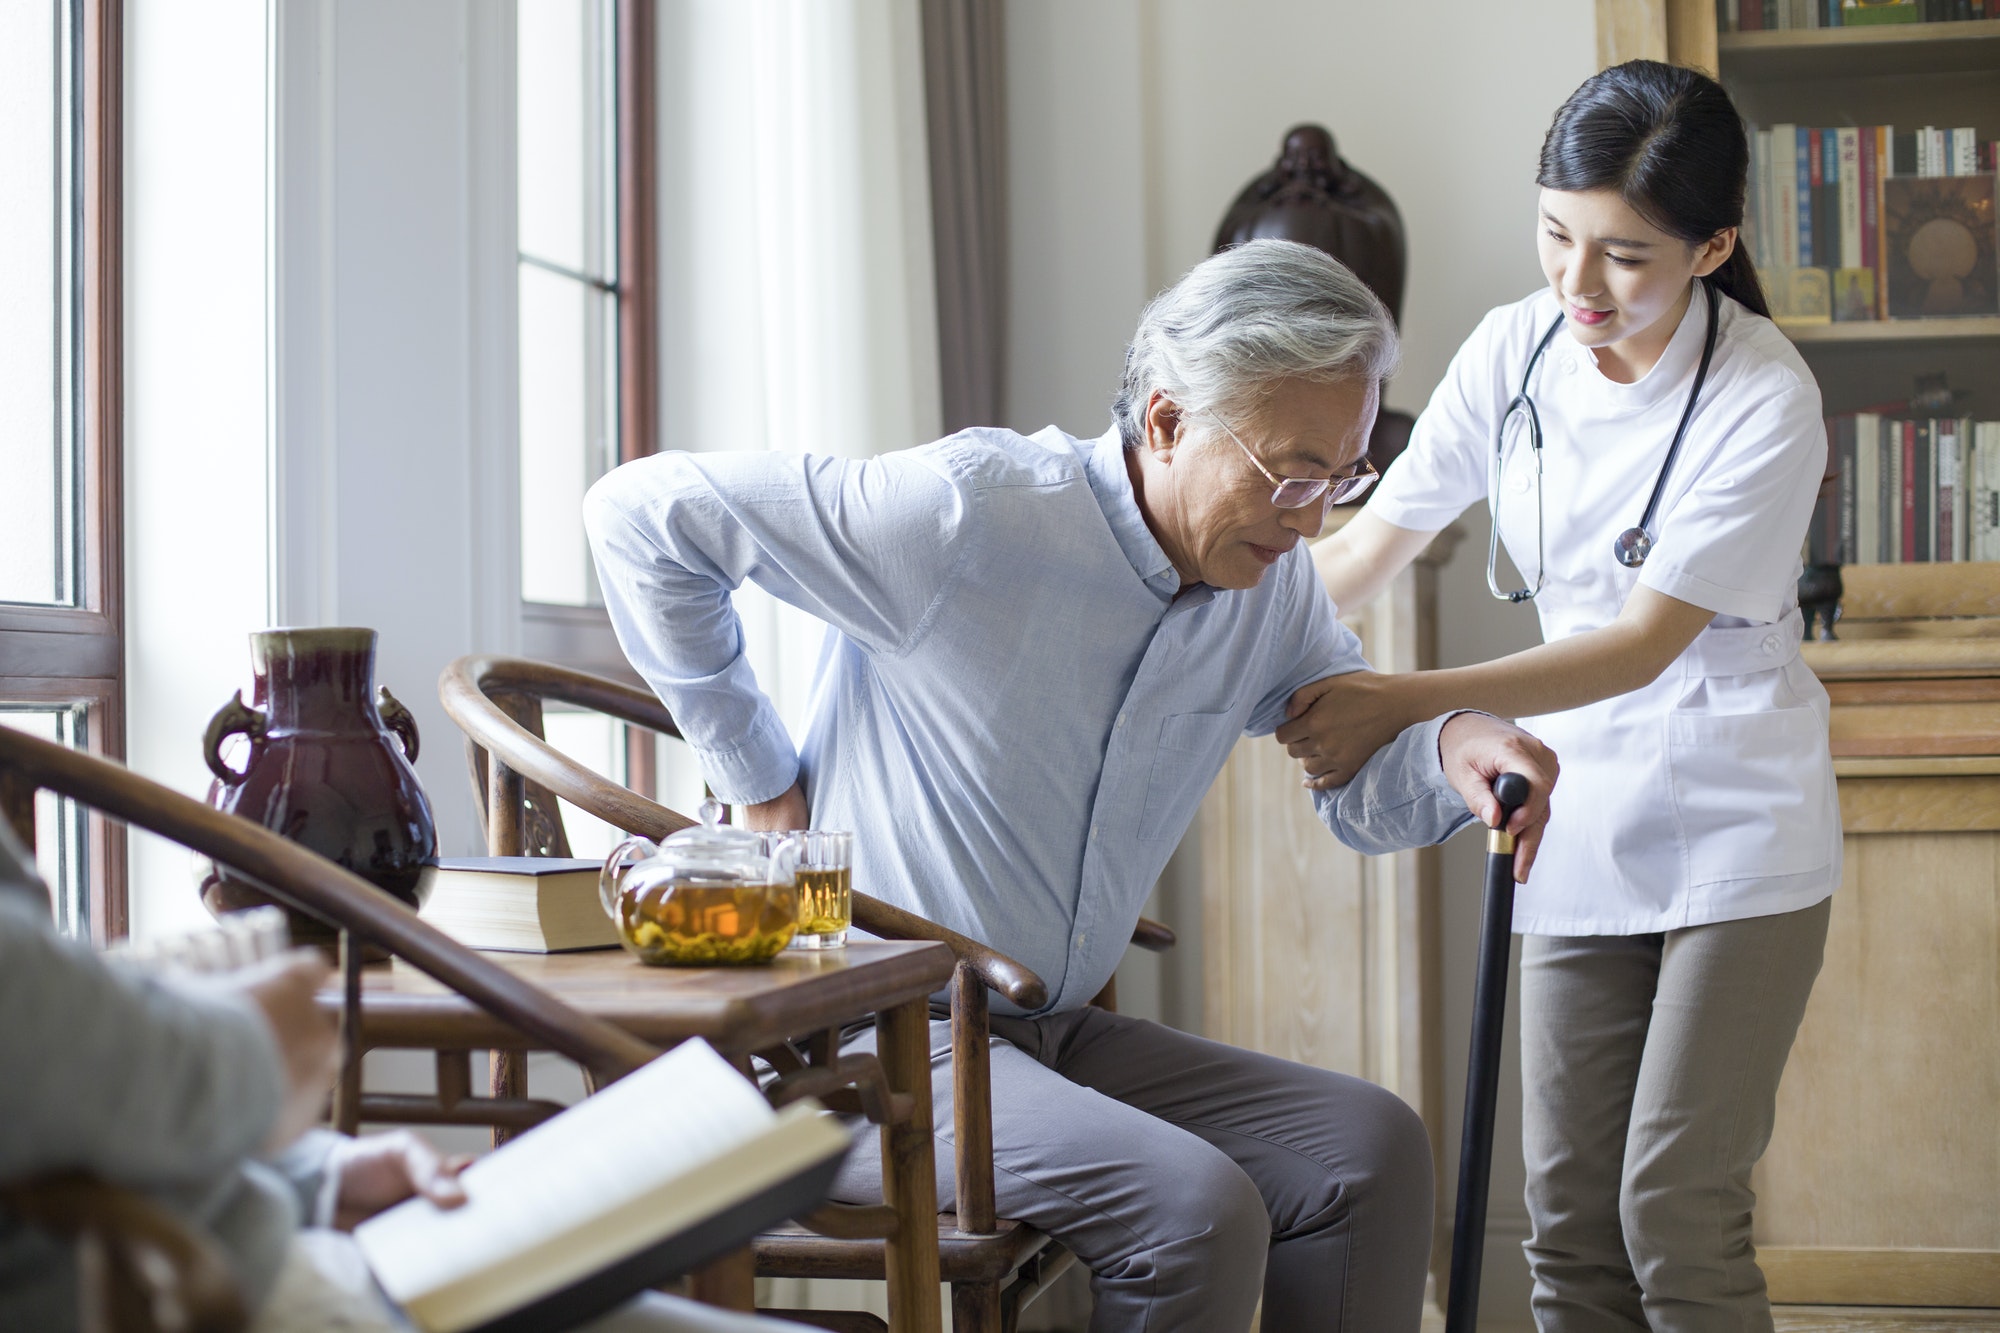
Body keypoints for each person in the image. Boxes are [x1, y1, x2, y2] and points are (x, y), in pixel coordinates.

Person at [585, 238, 1559, 1332]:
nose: (1312, 518)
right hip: (865, 1044)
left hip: (1046, 1033)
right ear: (1163, 421)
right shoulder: (964, 515)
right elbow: (641, 514)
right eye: (1290, 471)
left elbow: (1353, 778)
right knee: (1191, 1208)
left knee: (1368, 1150)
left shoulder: (1268, 589)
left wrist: (1452, 746)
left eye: (1341, 478)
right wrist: (756, 772)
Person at [1286, 61, 1839, 1333]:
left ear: (1712, 246)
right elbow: (1370, 546)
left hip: (1734, 822)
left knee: (1673, 1212)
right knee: (1568, 1224)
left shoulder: (1763, 395)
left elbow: (1639, 643)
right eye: (1554, 235)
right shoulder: (1510, 348)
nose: (1576, 286)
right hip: (1572, 816)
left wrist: (1393, 702)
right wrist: (1211, 617)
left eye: (1624, 257)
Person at [0, 818, 810, 1333]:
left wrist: (311, 1176)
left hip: (239, 1247)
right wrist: (254, 1049)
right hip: (176, 1290)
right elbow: (30, 1035)